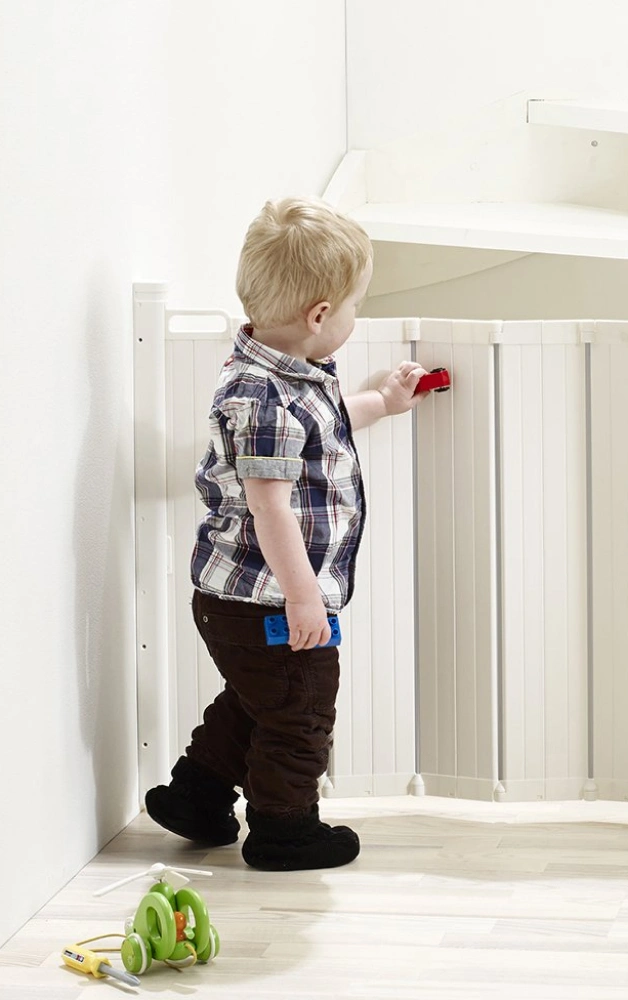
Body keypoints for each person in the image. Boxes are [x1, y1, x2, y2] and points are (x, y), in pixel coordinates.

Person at [144, 197, 427, 871]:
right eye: (356, 306)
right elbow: (270, 507)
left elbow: (322, 425)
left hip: (238, 600)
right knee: (300, 711)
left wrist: (383, 402)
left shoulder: (279, 375)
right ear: (320, 315)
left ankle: (195, 796)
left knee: (259, 699)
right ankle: (283, 829)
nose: (355, 318)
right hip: (268, 601)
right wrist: (303, 599)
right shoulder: (264, 398)